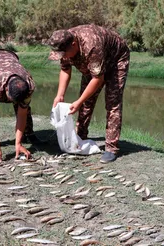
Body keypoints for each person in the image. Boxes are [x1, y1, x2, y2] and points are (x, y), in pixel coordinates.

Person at [47, 24, 130, 163]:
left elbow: (98, 79)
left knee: (112, 104)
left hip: (116, 61)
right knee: (86, 102)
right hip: (93, 64)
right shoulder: (64, 42)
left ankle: (111, 148)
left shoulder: (92, 46)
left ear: (73, 44)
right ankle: (80, 137)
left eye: (64, 54)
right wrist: (60, 94)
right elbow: (65, 69)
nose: (63, 57)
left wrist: (78, 102)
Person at [0, 48, 42, 163]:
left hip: (10, 57)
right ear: (6, 90)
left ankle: (28, 133)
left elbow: (22, 114)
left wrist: (18, 144)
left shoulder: (29, 85)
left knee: (24, 107)